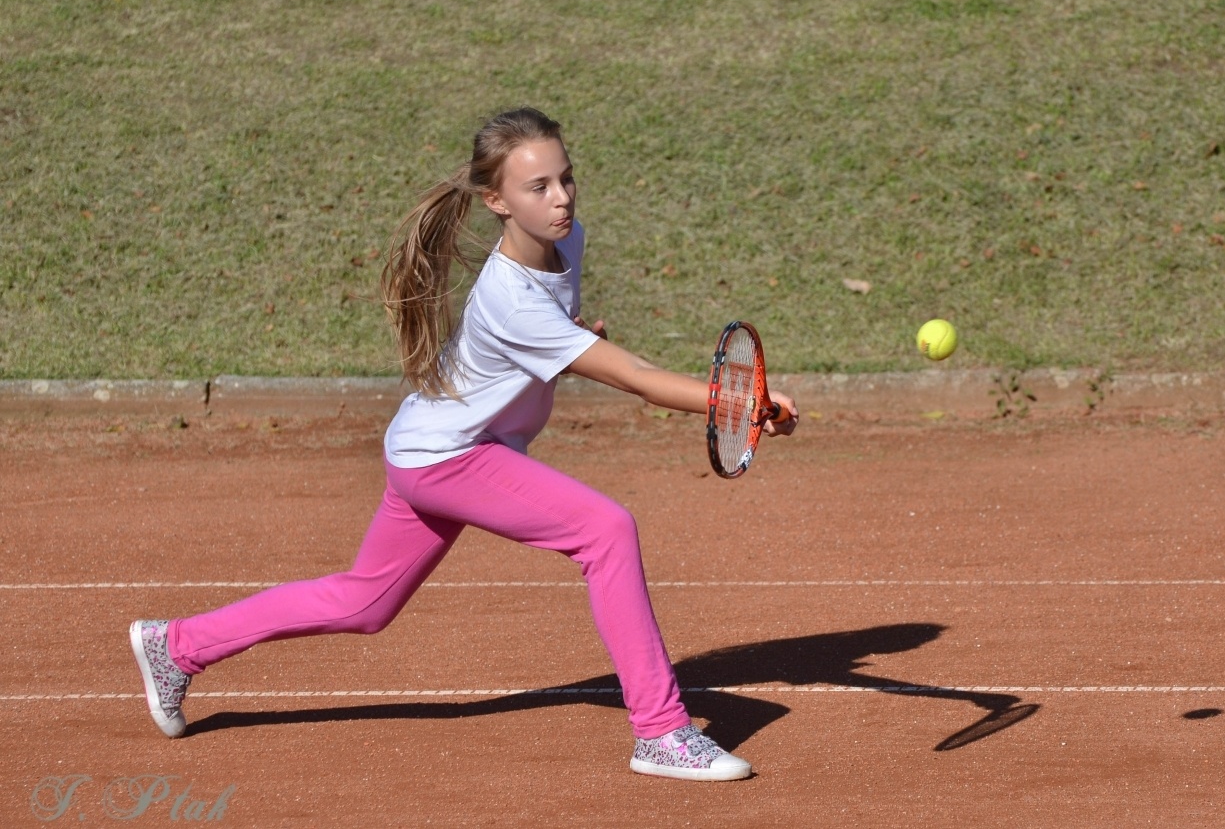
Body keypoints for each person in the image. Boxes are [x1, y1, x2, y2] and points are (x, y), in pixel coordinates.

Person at [128, 107, 798, 781]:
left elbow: (554, 337)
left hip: (425, 444)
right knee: (606, 530)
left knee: (363, 603)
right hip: (449, 457)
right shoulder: (510, 299)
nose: (561, 197)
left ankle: (177, 646)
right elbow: (638, 378)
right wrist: (742, 402)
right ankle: (661, 731)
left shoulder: (567, 243)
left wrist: (569, 337)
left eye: (566, 179)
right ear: (497, 201)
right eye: (538, 188)